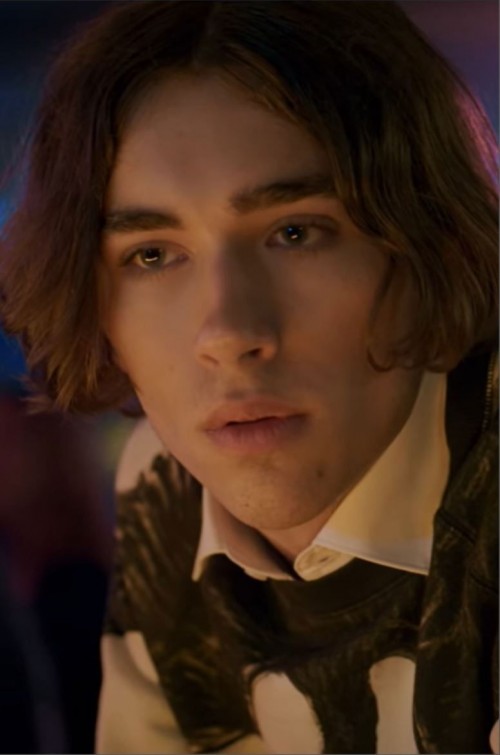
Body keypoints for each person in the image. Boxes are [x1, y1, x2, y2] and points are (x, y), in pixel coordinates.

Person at [0, 1, 498, 752]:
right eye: (152, 255)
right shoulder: (170, 487)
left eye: (295, 233)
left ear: (426, 247)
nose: (228, 333)